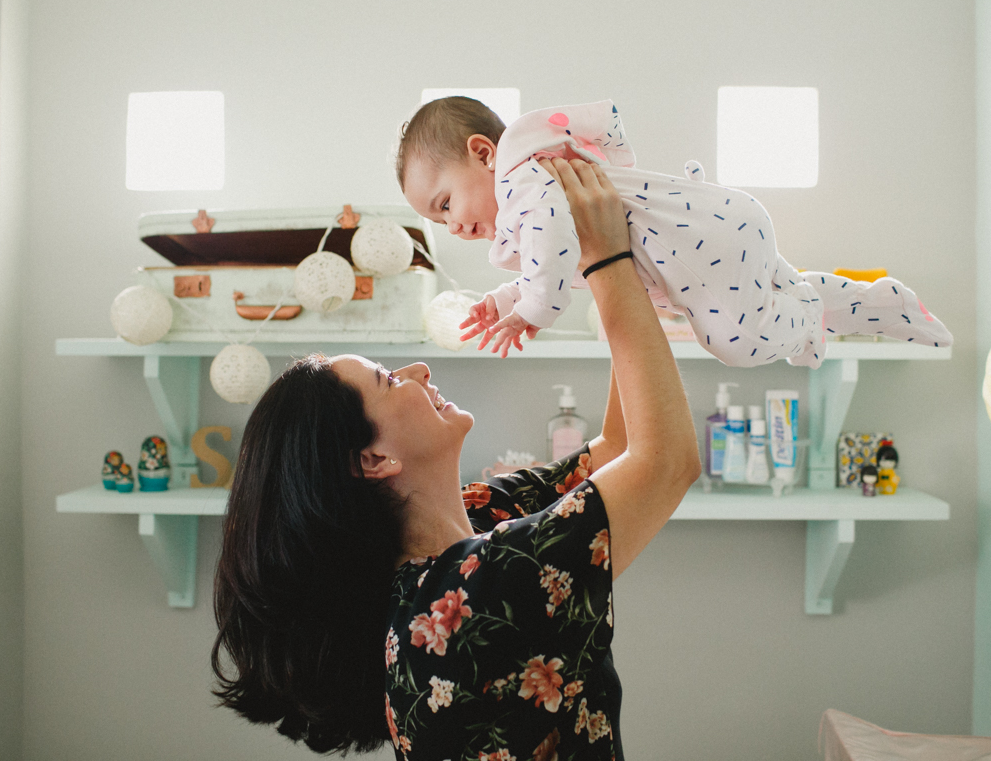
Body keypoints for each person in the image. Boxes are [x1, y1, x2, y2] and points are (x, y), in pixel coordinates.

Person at [212, 157, 702, 760]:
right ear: (371, 459)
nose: (419, 371)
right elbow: (667, 462)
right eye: (390, 380)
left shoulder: (478, 519)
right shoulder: (468, 598)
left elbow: (620, 450)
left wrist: (621, 270)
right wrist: (605, 260)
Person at [397, 96, 953, 365]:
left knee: (734, 343)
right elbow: (566, 258)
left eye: (445, 202)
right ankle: (881, 306)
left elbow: (555, 252)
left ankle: (806, 314)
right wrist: (504, 298)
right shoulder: (540, 194)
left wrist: (533, 309)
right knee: (772, 299)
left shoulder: (524, 177)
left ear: (483, 153)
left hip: (706, 246)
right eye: (437, 220)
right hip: (720, 237)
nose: (452, 225)